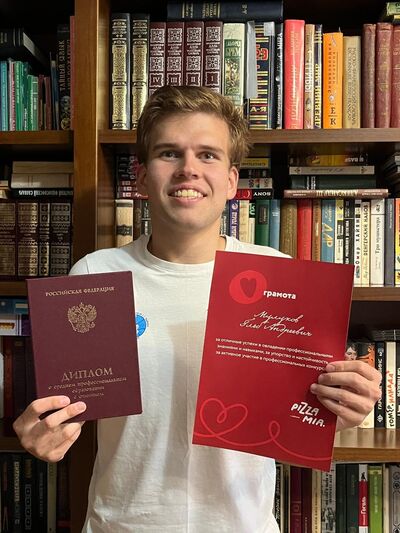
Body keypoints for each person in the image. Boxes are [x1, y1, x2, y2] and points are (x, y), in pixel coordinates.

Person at [13, 85, 381, 532]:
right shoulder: (96, 274)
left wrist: (341, 410)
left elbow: (296, 417)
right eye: (169, 153)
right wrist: (43, 433)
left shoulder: (278, 277)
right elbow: (67, 408)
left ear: (231, 181)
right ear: (142, 177)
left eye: (208, 155)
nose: (188, 169)